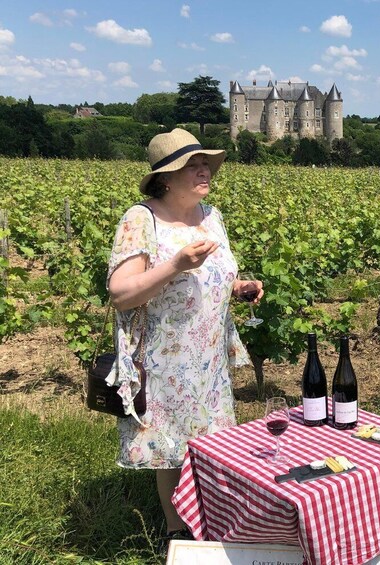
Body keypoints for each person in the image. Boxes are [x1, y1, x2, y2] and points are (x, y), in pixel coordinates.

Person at [106, 128, 262, 547]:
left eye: (205, 163)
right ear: (166, 178)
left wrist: (239, 286)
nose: (204, 169)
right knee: (171, 446)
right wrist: (175, 263)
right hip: (165, 356)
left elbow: (214, 276)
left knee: (211, 442)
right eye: (192, 165)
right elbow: (122, 293)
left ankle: (210, 522)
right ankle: (176, 535)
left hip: (209, 356)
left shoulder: (211, 216)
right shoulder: (141, 219)